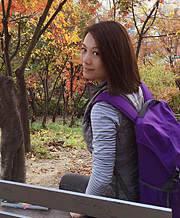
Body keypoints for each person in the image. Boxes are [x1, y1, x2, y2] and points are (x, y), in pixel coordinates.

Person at [59, 21, 144, 218]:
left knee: (66, 183)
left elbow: (103, 175)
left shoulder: (104, 108)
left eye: (96, 53)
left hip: (121, 201)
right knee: (70, 181)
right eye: (84, 50)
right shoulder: (136, 88)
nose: (85, 60)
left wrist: (83, 209)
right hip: (140, 188)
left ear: (114, 57)